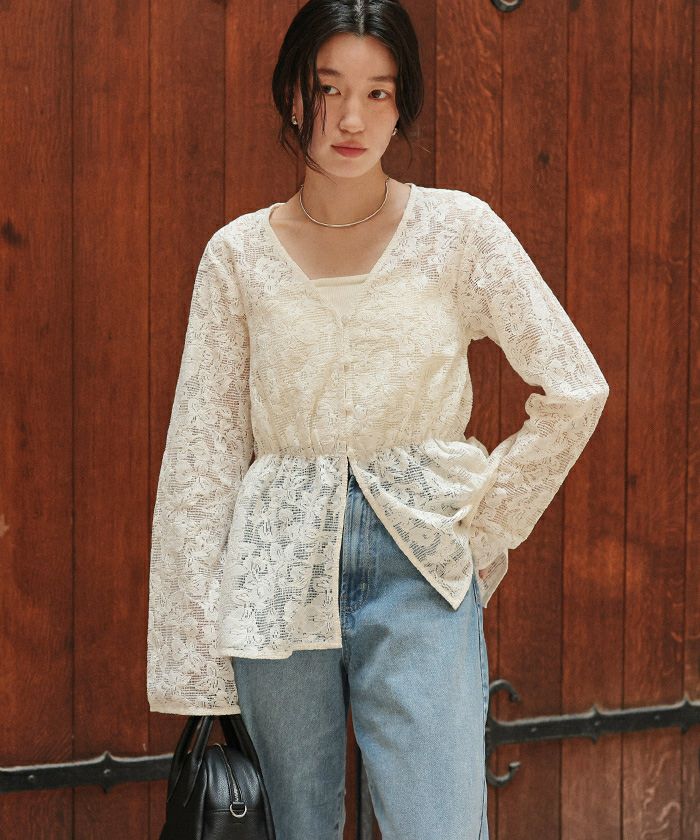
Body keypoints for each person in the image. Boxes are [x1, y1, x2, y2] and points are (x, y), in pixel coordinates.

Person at [146, 2, 610, 839]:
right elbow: (201, 462)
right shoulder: (237, 257)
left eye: (378, 93)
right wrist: (197, 662)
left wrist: (485, 524)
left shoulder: (457, 232)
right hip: (277, 574)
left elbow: (576, 387)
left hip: (420, 564)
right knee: (296, 827)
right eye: (328, 89)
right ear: (293, 96)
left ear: (404, 104)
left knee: (438, 825)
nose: (352, 119)